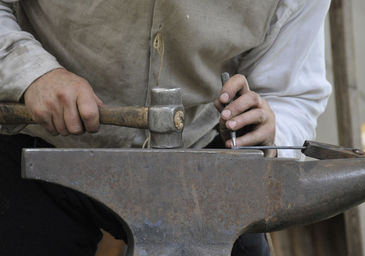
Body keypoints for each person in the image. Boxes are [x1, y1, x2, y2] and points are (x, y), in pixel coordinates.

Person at [0, 0, 332, 255]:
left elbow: (290, 93)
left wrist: (270, 128)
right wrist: (30, 71)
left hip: (198, 162)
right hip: (39, 146)